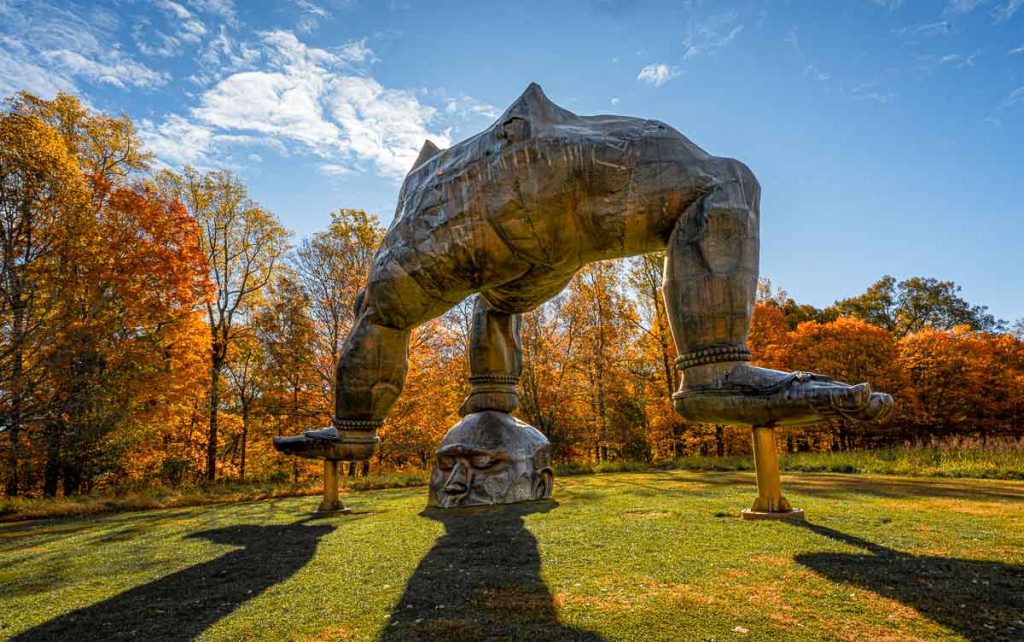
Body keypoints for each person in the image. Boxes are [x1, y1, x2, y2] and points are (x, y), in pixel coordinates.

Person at [274, 83, 891, 461]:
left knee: (430, 306)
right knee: (725, 180)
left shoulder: (430, 213)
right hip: (518, 195)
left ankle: (381, 424)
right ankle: (714, 369)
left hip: (510, 205)